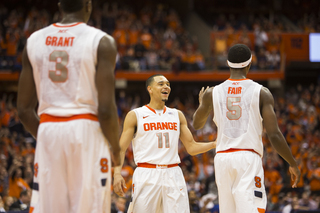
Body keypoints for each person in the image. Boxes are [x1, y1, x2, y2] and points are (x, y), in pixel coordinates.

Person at [16, 0, 121, 212]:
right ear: (88, 5)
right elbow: (106, 111)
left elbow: (24, 111)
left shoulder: (34, 41)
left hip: (48, 128)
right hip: (86, 130)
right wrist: (116, 149)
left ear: (59, 5)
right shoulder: (101, 41)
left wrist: (49, 136)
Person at [192, 44, 301, 213]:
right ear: (249, 65)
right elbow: (274, 134)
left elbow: (197, 125)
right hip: (248, 158)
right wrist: (292, 163)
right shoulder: (262, 92)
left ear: (228, 64)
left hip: (222, 160)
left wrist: (202, 105)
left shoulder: (212, 93)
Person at [113, 74, 216, 213]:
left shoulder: (177, 114)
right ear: (150, 89)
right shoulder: (135, 115)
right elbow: (121, 149)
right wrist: (117, 174)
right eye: (161, 84)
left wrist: (215, 143)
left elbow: (191, 147)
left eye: (168, 84)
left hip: (173, 173)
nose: (166, 86)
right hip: (147, 173)